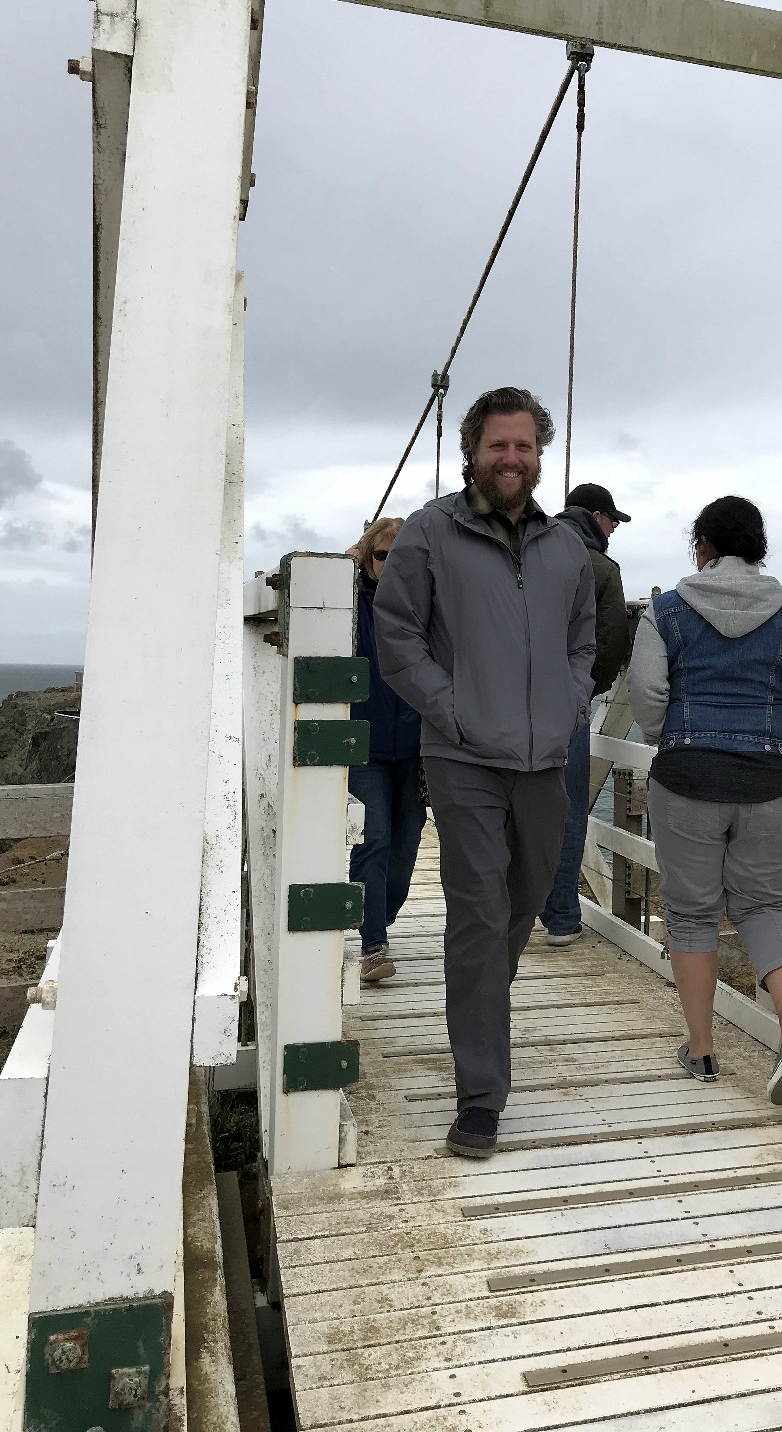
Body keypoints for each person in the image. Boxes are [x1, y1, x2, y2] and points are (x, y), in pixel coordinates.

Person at [374, 387, 595, 1157]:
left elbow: (582, 643)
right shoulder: (430, 533)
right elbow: (397, 633)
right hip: (462, 756)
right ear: (473, 451)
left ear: (539, 455)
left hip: (544, 760)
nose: (512, 458)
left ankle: (476, 1005)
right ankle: (481, 1096)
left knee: (523, 902)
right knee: (477, 912)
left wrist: (571, 704)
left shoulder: (566, 548)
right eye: (499, 445)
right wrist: (452, 710)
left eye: (524, 446)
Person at [627, 495, 782, 1104]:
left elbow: (646, 690)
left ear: (703, 546)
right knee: (762, 904)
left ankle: (701, 1050)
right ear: (758, 547)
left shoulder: (665, 611)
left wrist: (671, 739)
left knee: (692, 914)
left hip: (687, 778)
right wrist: (780, 743)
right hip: (769, 780)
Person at [539, 482, 632, 946]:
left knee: (512, 804)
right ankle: (559, 917)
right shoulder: (600, 567)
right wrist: (584, 689)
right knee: (569, 808)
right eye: (612, 520)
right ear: (596, 517)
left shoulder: (528, 549)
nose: (613, 529)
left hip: (507, 699)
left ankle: (507, 911)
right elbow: (612, 640)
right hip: (566, 701)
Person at [348, 517, 427, 984]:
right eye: (381, 555)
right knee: (373, 838)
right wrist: (344, 563)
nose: (390, 564)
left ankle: (377, 914)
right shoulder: (349, 602)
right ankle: (373, 944)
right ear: (367, 559)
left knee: (406, 845)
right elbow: (306, 593)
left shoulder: (426, 605)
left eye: (401, 557)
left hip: (416, 747)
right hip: (364, 743)